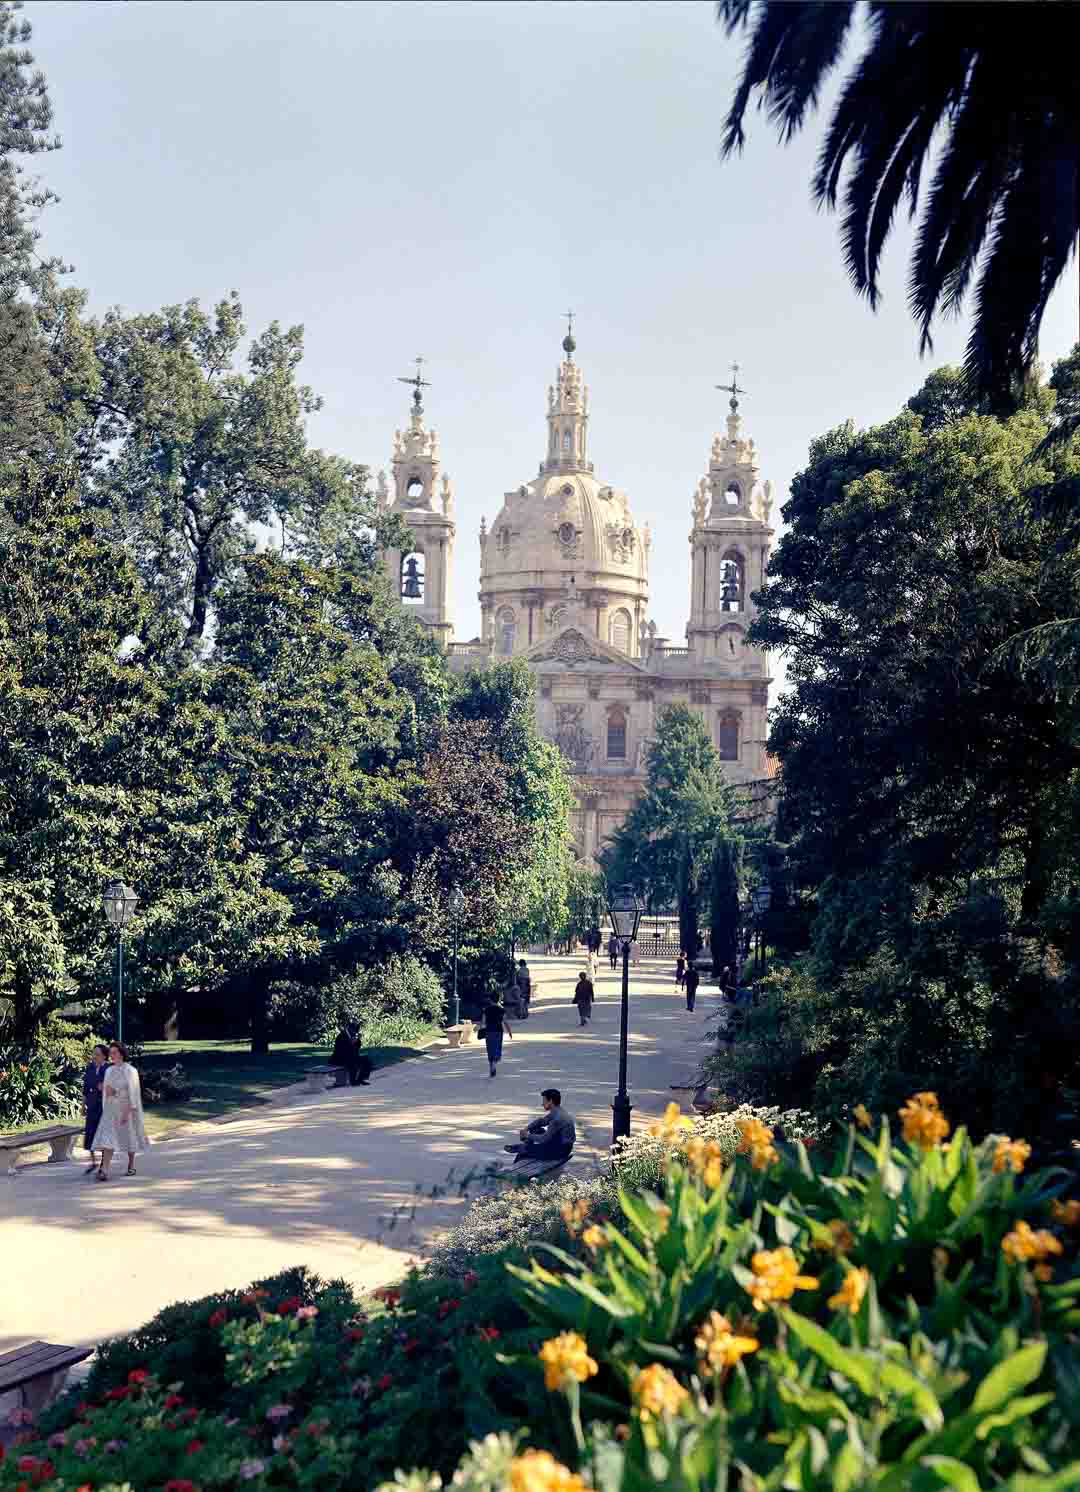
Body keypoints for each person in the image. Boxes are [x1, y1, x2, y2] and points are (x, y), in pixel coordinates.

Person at [92, 1041, 149, 1181]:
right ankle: (104, 1170)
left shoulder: (130, 1071)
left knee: (129, 1137)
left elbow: (133, 1093)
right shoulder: (109, 1070)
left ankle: (131, 1164)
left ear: (122, 1053)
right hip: (111, 1108)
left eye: (114, 1052)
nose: (112, 1055)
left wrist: (126, 1112)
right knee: (107, 1137)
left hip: (126, 1108)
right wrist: (105, 1089)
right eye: (110, 1053)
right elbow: (107, 1090)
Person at [505, 1088, 576, 1164]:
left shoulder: (557, 1119)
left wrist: (527, 1136)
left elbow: (544, 1139)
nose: (542, 1104)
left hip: (560, 1151)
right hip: (559, 1144)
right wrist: (526, 1129)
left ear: (550, 1101)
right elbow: (541, 1121)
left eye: (544, 1101)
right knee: (535, 1129)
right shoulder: (558, 1111)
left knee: (521, 1149)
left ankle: (515, 1167)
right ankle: (528, 1150)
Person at [82, 1043, 109, 1175]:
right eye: (94, 1054)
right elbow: (85, 1088)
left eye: (97, 1054)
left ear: (104, 1056)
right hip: (92, 1105)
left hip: (104, 1107)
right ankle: (93, 1162)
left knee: (103, 1136)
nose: (94, 1056)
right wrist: (83, 1105)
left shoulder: (109, 1069)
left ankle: (103, 1165)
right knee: (90, 1134)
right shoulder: (90, 1068)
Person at [480, 995, 513, 1077]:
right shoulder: (501, 1010)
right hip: (498, 1031)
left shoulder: (486, 1010)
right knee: (497, 1047)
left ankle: (491, 1065)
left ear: (490, 999)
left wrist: (481, 1030)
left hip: (489, 1031)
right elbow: (505, 1021)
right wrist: (509, 1032)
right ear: (498, 1000)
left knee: (490, 1048)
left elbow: (483, 1022)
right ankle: (494, 1063)